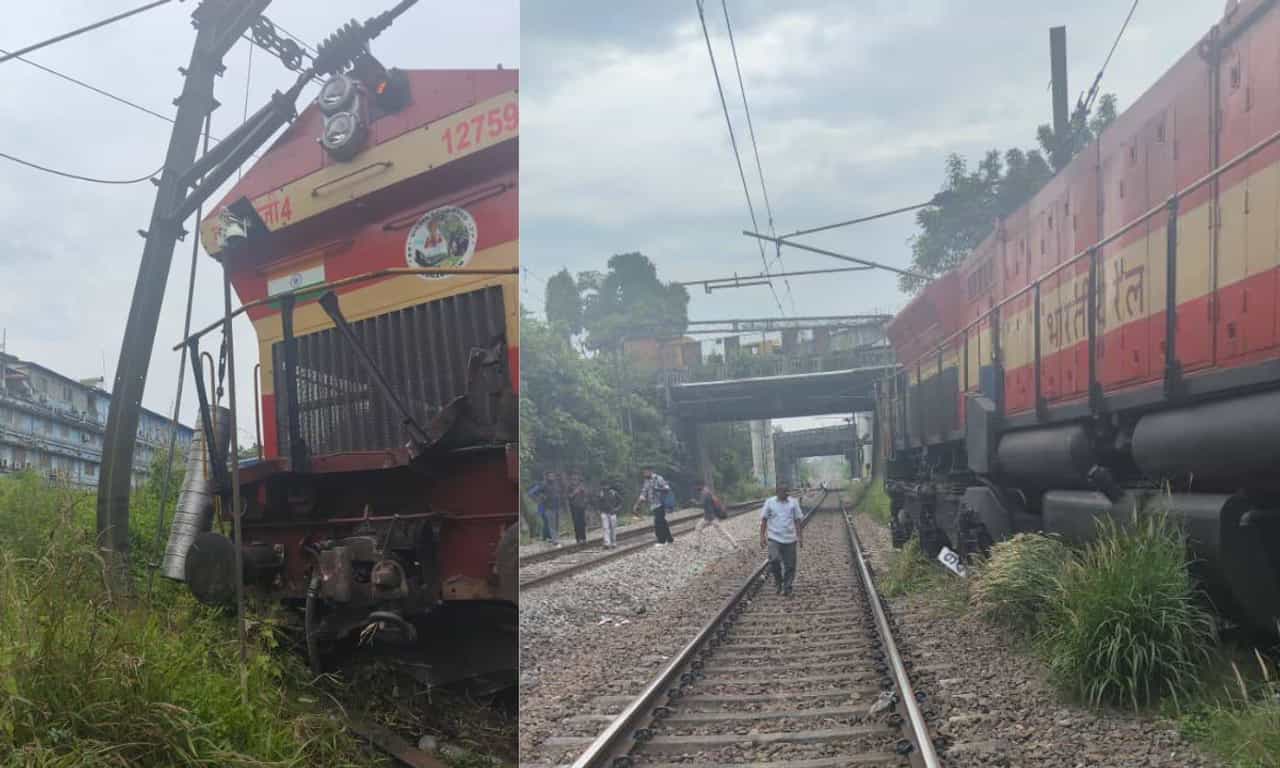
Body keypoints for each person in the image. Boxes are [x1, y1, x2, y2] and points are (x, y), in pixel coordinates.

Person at [759, 482, 804, 596]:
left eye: (787, 491)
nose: (786, 493)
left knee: (790, 565)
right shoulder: (770, 502)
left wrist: (800, 537)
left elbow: (797, 520)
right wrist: (762, 536)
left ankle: (787, 586)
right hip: (774, 538)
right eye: (783, 491)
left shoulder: (793, 503)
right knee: (774, 560)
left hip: (790, 538)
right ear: (777, 492)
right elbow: (764, 520)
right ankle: (778, 581)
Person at [636, 468, 675, 545]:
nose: (644, 474)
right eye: (643, 473)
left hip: (660, 503)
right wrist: (638, 504)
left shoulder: (658, 478)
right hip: (653, 505)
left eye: (645, 472)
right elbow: (644, 493)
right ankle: (669, 539)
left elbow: (667, 488)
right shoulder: (646, 481)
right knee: (662, 522)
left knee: (658, 523)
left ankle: (661, 541)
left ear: (650, 471)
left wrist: (657, 489)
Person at [695, 483, 738, 549]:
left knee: (721, 531)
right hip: (709, 517)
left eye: (697, 486)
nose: (696, 488)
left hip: (710, 517)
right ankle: (697, 545)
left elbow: (702, 504)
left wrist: (695, 503)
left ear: (700, 486)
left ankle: (734, 543)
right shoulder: (708, 493)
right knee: (699, 527)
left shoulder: (704, 494)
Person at [597, 481, 623, 548]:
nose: (605, 487)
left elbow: (621, 501)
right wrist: (599, 510)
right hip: (604, 513)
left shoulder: (614, 493)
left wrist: (617, 509)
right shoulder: (601, 493)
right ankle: (607, 543)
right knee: (605, 528)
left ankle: (613, 542)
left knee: (613, 528)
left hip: (612, 513)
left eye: (606, 485)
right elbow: (597, 502)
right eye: (604, 485)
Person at [568, 473, 589, 544]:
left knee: (582, 523)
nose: (575, 480)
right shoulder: (570, 487)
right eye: (573, 479)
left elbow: (586, 496)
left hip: (581, 507)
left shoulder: (581, 487)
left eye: (576, 479)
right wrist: (575, 492)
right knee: (576, 523)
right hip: (574, 507)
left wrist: (584, 492)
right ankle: (578, 538)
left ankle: (584, 538)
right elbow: (569, 496)